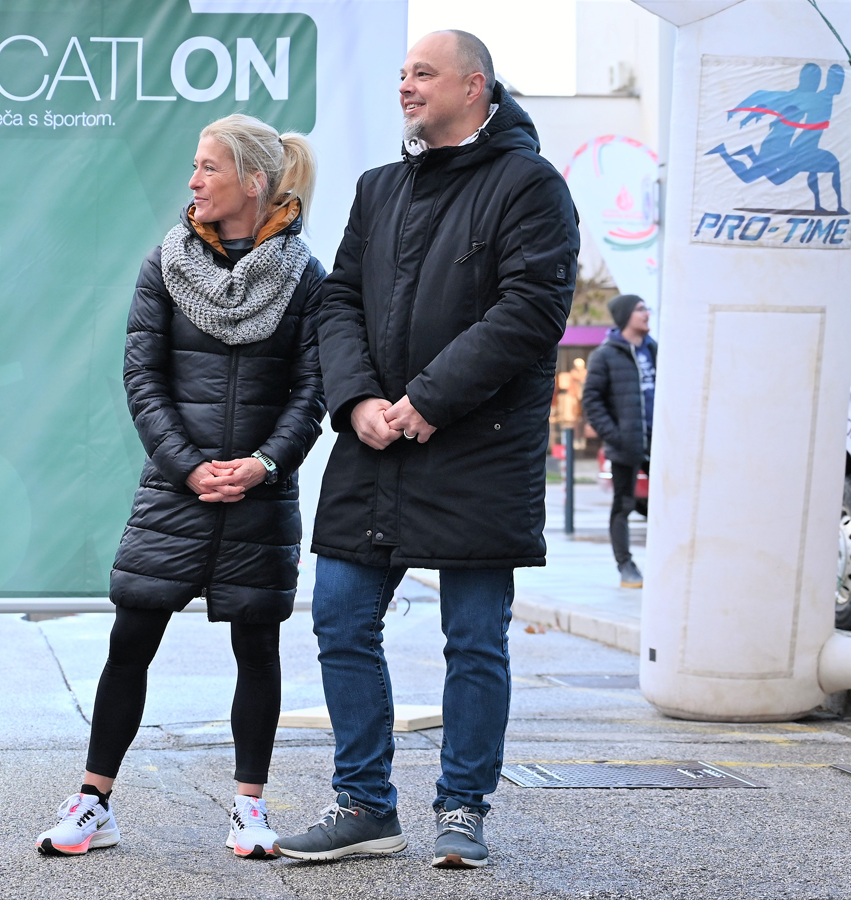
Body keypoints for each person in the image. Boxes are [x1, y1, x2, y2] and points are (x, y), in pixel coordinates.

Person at [274, 31, 579, 869]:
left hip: (479, 450)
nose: (405, 86)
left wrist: (429, 401)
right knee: (340, 618)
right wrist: (358, 400)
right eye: (402, 73)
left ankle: (462, 808)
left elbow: (531, 310)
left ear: (474, 86)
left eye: (423, 73)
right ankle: (366, 806)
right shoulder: (379, 188)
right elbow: (338, 301)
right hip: (375, 442)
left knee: (474, 639)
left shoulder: (531, 185)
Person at [35, 114, 326, 860]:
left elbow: (311, 390)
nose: (192, 181)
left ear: (252, 182)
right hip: (175, 490)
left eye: (208, 167)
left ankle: (249, 808)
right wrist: (187, 465)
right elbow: (142, 376)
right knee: (130, 641)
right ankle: (94, 802)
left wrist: (265, 464)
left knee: (257, 647)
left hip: (261, 494)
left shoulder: (306, 276)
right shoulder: (163, 263)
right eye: (195, 166)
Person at [582, 294, 656, 588]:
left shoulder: (654, 349)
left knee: (669, 503)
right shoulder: (605, 355)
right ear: (626, 316)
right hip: (626, 445)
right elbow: (592, 400)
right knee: (623, 505)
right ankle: (626, 566)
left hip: (661, 443)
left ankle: (667, 562)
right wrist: (615, 436)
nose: (646, 314)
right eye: (640, 309)